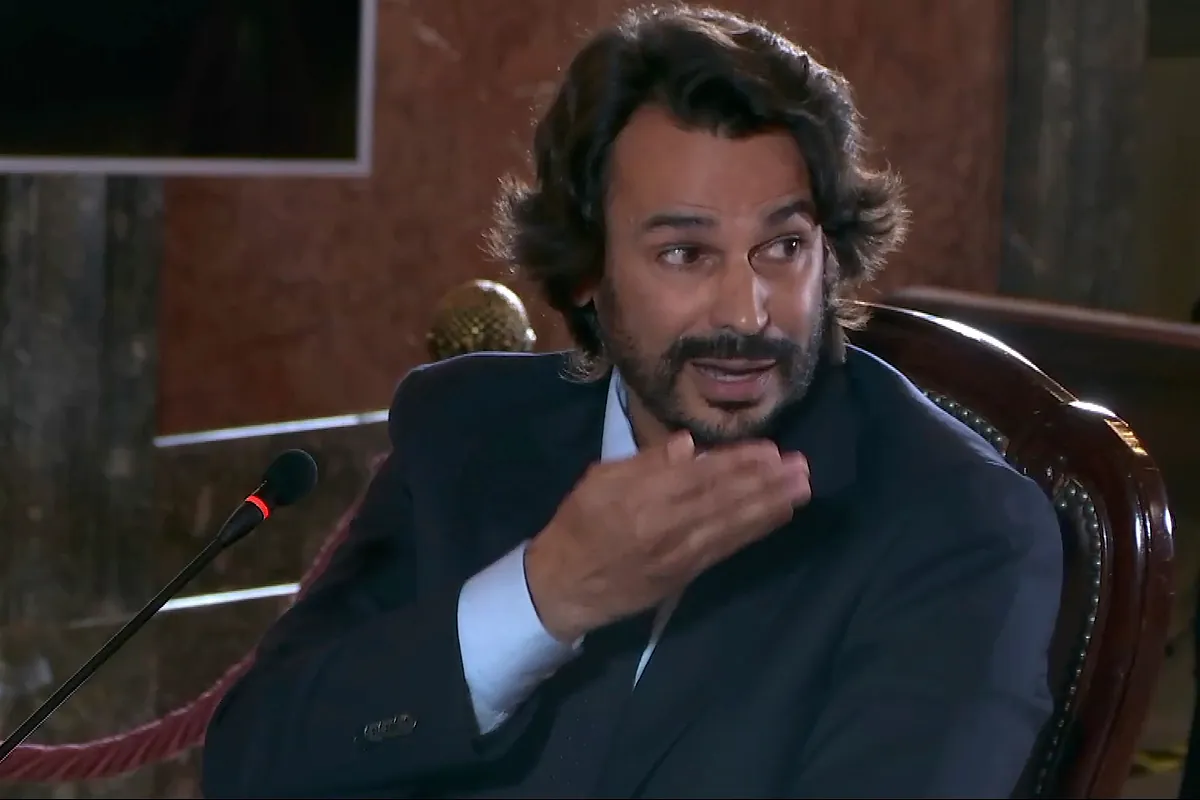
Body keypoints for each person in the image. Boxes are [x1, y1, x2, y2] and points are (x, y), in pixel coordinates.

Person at [201, 5, 1064, 797]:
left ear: (830, 252)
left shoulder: (958, 523)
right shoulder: (466, 432)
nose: (746, 313)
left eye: (783, 247)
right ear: (586, 268)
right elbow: (250, 765)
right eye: (686, 253)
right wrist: (541, 599)